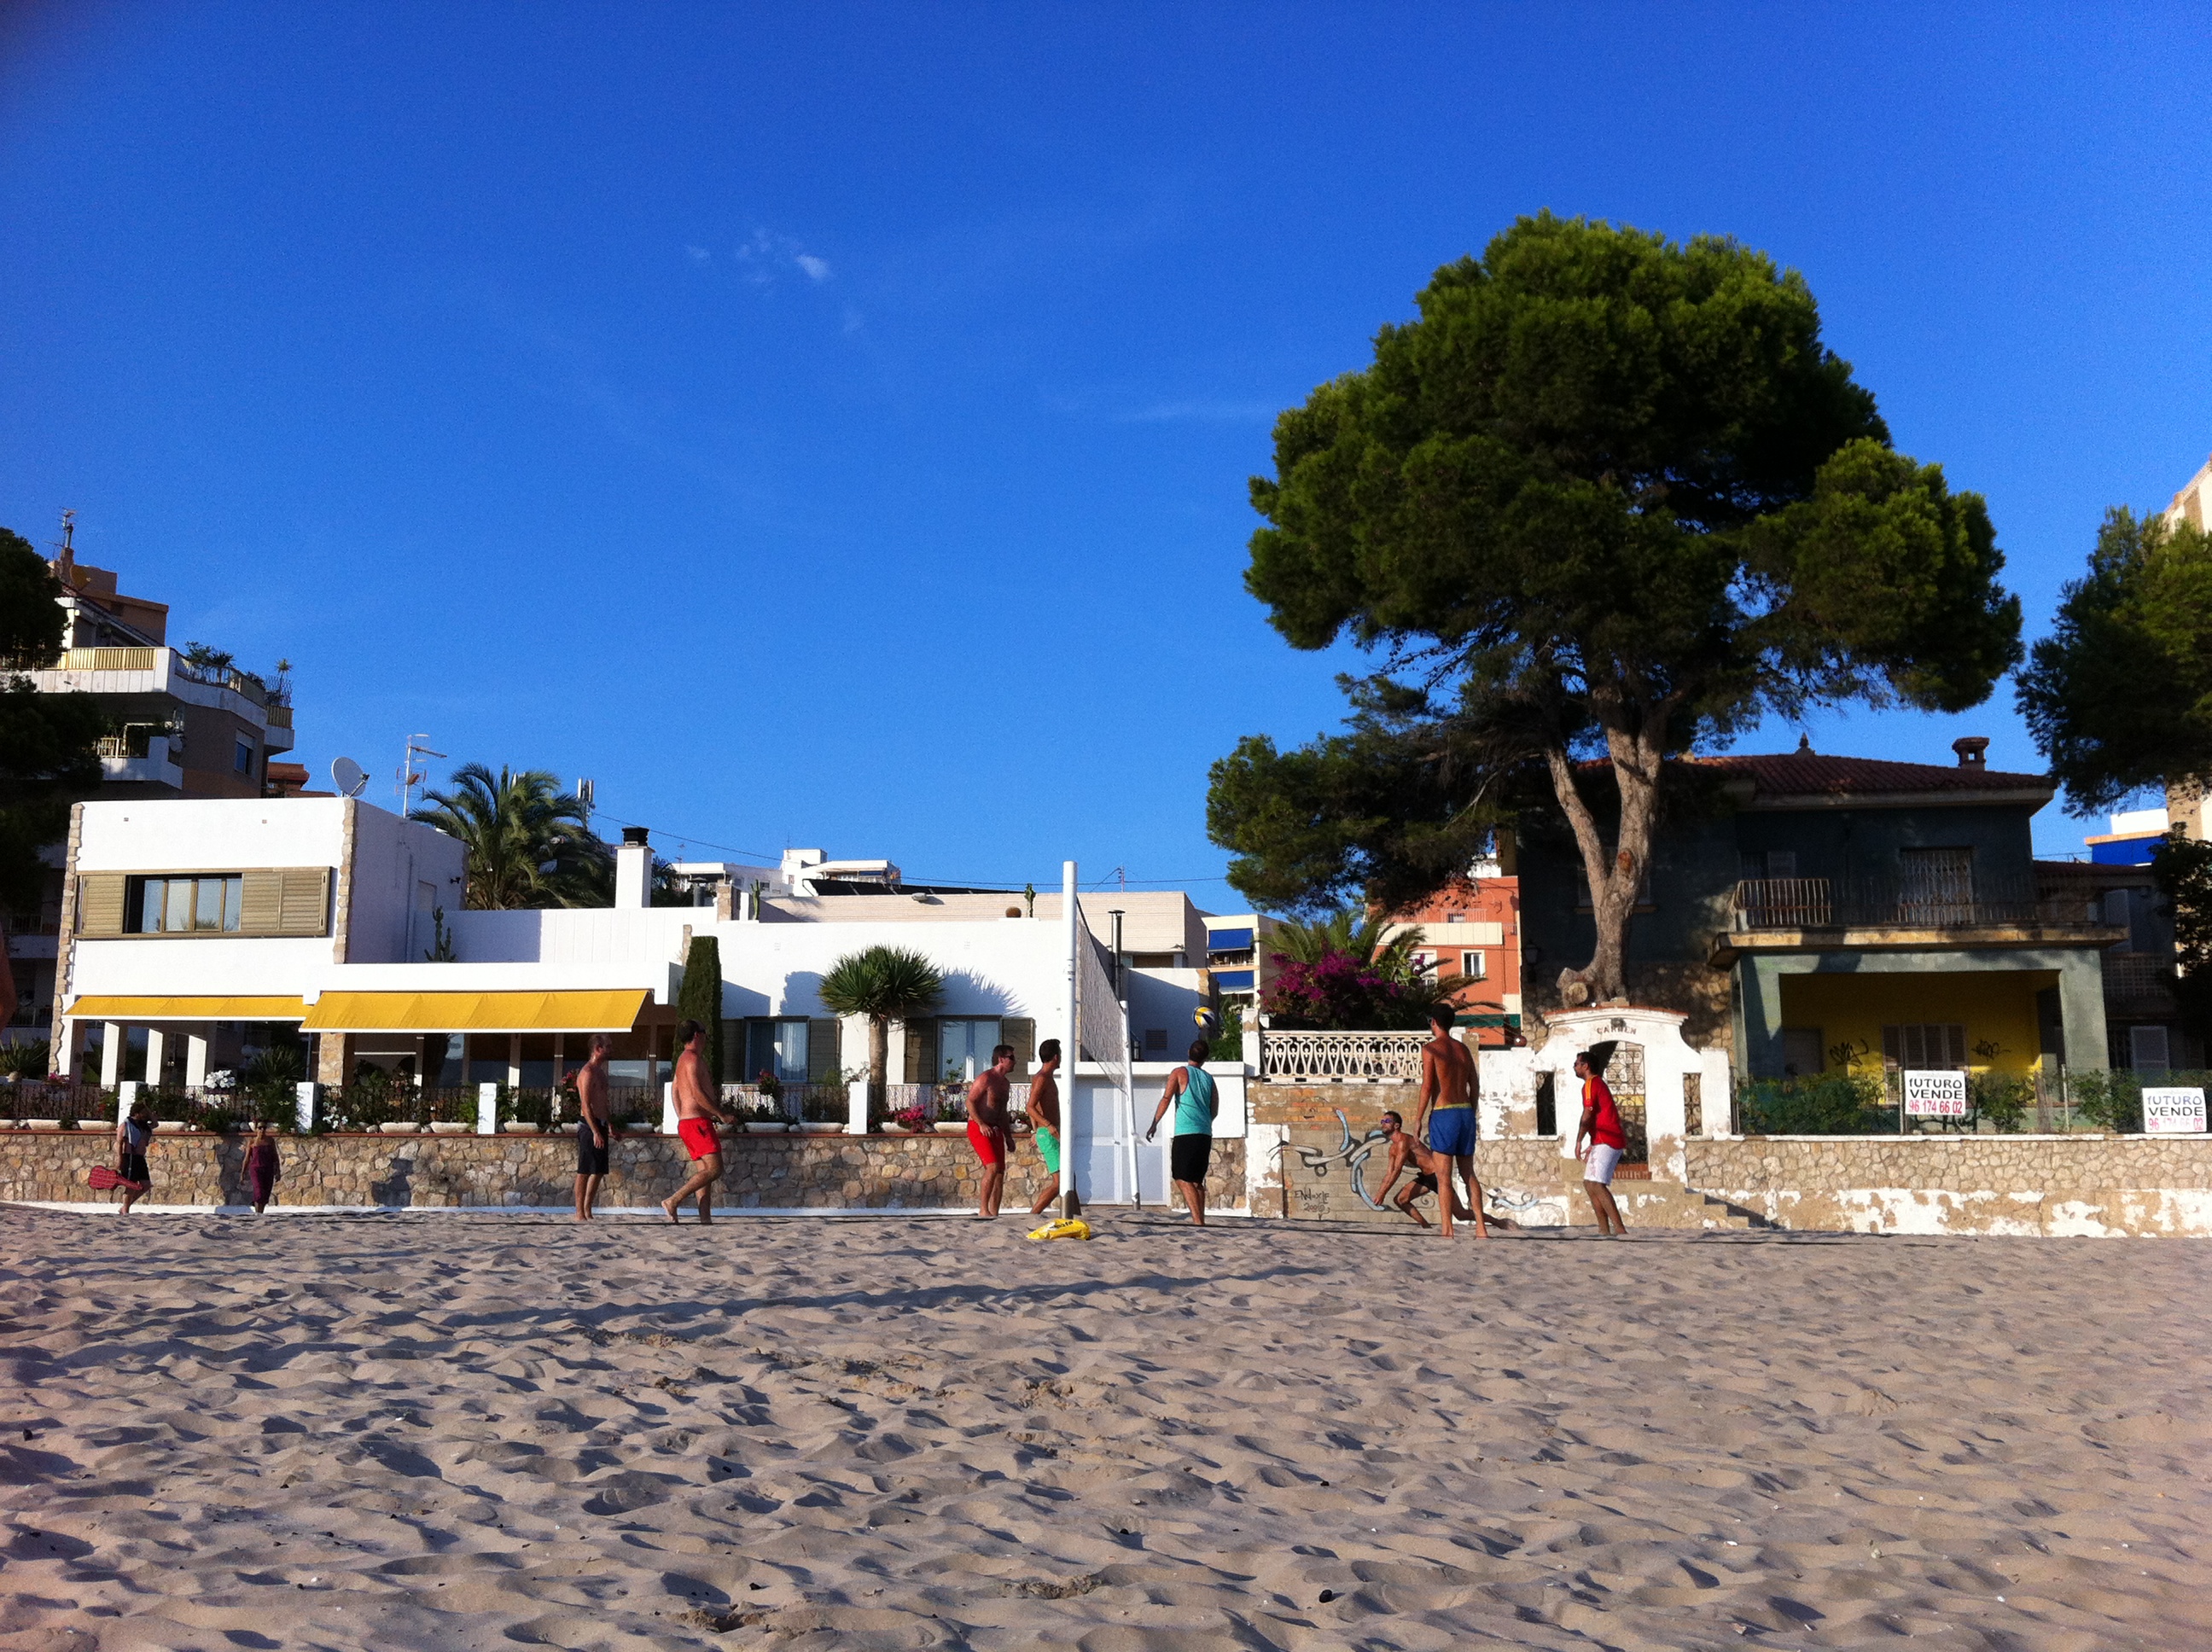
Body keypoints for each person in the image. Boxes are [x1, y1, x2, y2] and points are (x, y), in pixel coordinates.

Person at [1413, 1007, 1487, 1238]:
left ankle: (1448, 1229)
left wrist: (1418, 1118)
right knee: (1469, 1174)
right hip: (1465, 1112)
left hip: (1444, 1112)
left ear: (1434, 1022)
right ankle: (1481, 1228)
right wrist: (1471, 1112)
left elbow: (1427, 1087)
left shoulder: (1431, 1049)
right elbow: (1474, 1086)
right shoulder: (1463, 1049)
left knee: (1444, 1176)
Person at [661, 1021, 735, 1224]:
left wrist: (681, 1115)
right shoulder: (691, 1059)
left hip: (689, 1123)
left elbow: (675, 1090)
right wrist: (721, 1114)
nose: (706, 1035)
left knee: (705, 1173)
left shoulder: (683, 1060)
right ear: (696, 1035)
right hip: (697, 1123)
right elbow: (697, 1093)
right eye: (704, 1031)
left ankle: (705, 1219)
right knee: (715, 1169)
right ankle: (673, 1200)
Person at [1144, 1038, 1218, 1226]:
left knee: (1181, 1178)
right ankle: (1201, 1220)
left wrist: (1154, 1123)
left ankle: (1197, 1221)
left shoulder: (1179, 1072)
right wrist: (1204, 1122)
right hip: (1204, 1133)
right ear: (1205, 1058)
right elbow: (1214, 1109)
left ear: (1188, 1052)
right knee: (1196, 1181)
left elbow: (1167, 1098)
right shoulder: (1209, 1079)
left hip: (1186, 1133)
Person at [1370, 1109, 1474, 1229]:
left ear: (1397, 1125)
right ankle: (1426, 1227)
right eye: (1382, 1121)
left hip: (1437, 1175)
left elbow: (1397, 1170)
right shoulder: (1392, 1149)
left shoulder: (1404, 1141)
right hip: (1426, 1177)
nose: (1383, 1123)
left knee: (1461, 1214)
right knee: (1400, 1200)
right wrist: (1379, 1193)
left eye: (1387, 1121)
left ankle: (1496, 1221)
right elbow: (1389, 1173)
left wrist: (1383, 1193)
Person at [1573, 1049, 1629, 1237]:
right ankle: (1604, 1229)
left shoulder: (1591, 1084)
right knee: (1589, 1183)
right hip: (1602, 1138)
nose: (1575, 1067)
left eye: (1577, 1064)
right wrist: (1592, 1142)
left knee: (1597, 1184)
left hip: (1608, 1138)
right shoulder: (1595, 1085)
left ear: (1585, 1066)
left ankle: (1619, 1228)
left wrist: (1579, 1140)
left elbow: (1587, 1114)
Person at [1025, 1038, 1080, 1218]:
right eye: (1061, 1054)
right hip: (1048, 1133)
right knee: (1060, 1183)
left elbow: (1036, 1107)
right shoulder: (1041, 1078)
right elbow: (1030, 1107)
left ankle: (1076, 1216)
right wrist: (1045, 1126)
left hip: (1048, 1131)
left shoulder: (1045, 1077)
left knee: (1069, 1178)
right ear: (1056, 1057)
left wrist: (1036, 1130)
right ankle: (1033, 1214)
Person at [966, 1044, 1017, 1218]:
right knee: (992, 1167)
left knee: (1000, 1172)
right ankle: (983, 1209)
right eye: (1011, 1058)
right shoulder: (986, 1078)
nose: (1015, 1062)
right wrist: (981, 1123)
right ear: (1001, 1059)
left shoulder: (1005, 1084)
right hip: (979, 1126)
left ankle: (994, 1212)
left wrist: (1008, 1137)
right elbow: (970, 1102)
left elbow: (1002, 1111)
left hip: (996, 1129)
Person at [573, 1033, 613, 1222]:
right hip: (589, 1126)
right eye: (608, 1047)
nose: (610, 1050)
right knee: (585, 1170)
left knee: (598, 1170)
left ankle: (588, 1209)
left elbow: (603, 1102)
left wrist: (610, 1125)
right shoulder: (587, 1072)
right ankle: (579, 1212)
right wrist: (595, 1131)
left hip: (601, 1124)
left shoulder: (601, 1072)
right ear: (598, 1049)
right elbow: (586, 1105)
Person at [114, 1102, 152, 1215]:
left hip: (140, 1158)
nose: (145, 1115)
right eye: (143, 1112)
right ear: (137, 1113)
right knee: (131, 1184)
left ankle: (126, 1206)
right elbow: (120, 1142)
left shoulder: (141, 1125)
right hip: (130, 1157)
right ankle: (126, 1210)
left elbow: (155, 1123)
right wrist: (120, 1159)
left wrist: (148, 1111)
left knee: (146, 1185)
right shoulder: (126, 1125)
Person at [246, 1120, 281, 1213]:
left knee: (266, 1192)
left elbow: (275, 1156)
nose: (262, 1130)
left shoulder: (270, 1141)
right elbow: (247, 1158)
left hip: (268, 1169)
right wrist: (243, 1172)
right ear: (256, 1129)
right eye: (260, 1128)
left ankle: (261, 1212)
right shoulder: (252, 1142)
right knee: (259, 1191)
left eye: (264, 1128)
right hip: (256, 1169)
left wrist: (278, 1171)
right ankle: (257, 1212)